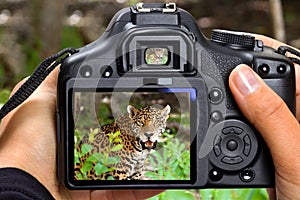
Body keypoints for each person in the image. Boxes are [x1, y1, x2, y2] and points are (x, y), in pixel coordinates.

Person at [0, 34, 299, 200]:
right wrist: (19, 177)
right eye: (144, 128)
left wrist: (16, 180)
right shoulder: (124, 137)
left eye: (154, 129)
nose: (148, 136)